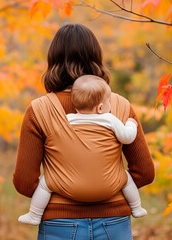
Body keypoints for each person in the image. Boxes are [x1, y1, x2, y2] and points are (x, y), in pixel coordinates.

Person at [13, 23, 155, 240]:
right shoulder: (120, 106)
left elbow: (24, 181)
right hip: (114, 221)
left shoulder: (39, 109)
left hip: (59, 224)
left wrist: (67, 190)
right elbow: (145, 172)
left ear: (53, 59)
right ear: (96, 57)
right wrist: (105, 187)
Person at [18, 75, 147, 225]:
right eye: (108, 102)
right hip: (112, 203)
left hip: (61, 203)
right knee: (125, 179)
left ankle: (34, 215)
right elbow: (127, 137)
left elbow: (25, 181)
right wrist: (131, 124)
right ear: (100, 107)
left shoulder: (66, 120)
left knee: (46, 183)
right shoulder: (110, 118)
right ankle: (137, 208)